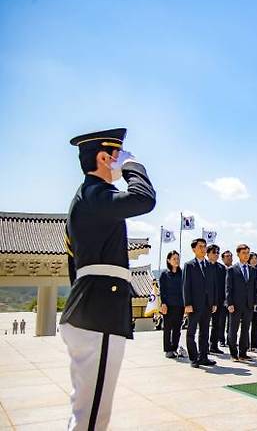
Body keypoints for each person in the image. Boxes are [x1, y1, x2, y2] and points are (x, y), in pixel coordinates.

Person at [60, 128, 156, 430]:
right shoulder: (96, 194)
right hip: (98, 313)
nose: (121, 160)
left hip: (90, 306)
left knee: (85, 410)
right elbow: (143, 199)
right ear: (104, 157)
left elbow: (73, 265)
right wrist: (134, 166)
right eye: (117, 155)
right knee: (92, 417)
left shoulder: (86, 198)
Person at [182, 238, 217, 368]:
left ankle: (203, 357)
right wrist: (187, 303)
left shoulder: (209, 265)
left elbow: (213, 286)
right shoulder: (189, 265)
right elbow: (186, 286)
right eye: (200, 246)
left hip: (207, 304)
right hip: (194, 305)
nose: (203, 249)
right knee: (191, 332)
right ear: (194, 249)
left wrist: (214, 302)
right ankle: (193, 358)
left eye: (204, 246)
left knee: (205, 332)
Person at [226, 244, 257, 361]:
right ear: (238, 254)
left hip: (248, 305)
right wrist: (229, 304)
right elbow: (228, 288)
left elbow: (255, 288)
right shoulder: (232, 270)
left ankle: (243, 353)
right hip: (235, 305)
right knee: (233, 329)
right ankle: (233, 353)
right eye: (244, 253)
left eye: (248, 253)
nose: (246, 255)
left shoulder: (253, 270)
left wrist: (255, 302)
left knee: (245, 329)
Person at [159, 250, 184, 358]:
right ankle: (168, 349)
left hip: (180, 304)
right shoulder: (164, 274)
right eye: (174, 258)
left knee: (177, 329)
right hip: (168, 305)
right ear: (169, 260)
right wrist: (163, 303)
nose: (176, 260)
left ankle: (175, 348)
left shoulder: (182, 273)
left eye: (178, 258)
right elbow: (162, 290)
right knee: (168, 328)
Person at [207, 244, 227, 354]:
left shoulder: (221, 268)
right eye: (214, 252)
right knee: (204, 325)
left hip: (219, 300)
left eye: (218, 253)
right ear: (208, 253)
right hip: (206, 301)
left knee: (217, 325)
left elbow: (225, 285)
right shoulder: (204, 266)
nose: (216, 255)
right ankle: (204, 347)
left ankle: (213, 345)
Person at [248, 252, 257, 352]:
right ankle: (246, 344)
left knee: (255, 323)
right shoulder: (246, 270)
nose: (255, 260)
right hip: (247, 301)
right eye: (253, 258)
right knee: (246, 324)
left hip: (256, 301)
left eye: (256, 258)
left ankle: (254, 344)